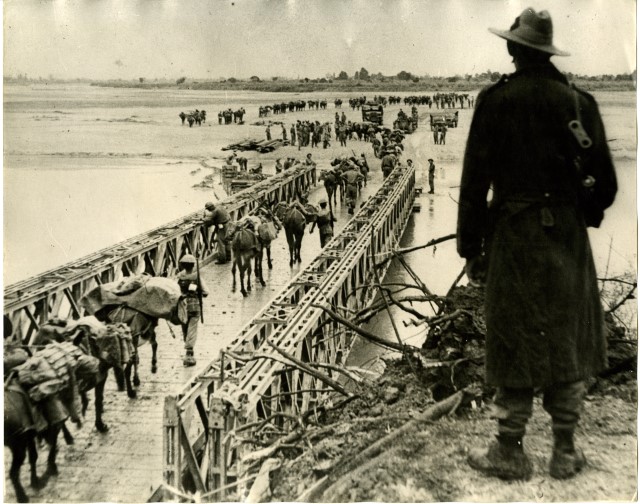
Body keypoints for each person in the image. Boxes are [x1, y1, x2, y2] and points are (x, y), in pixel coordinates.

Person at [457, 7, 617, 482]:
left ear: (512, 48)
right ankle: (564, 451)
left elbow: (473, 185)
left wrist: (472, 248)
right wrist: (582, 214)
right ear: (548, 52)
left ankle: (509, 449)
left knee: (513, 335)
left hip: (512, 235)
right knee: (567, 335)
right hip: (566, 236)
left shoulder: (495, 101)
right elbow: (606, 185)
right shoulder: (579, 104)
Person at [176, 254, 209, 367]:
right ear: (193, 265)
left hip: (182, 307)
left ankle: (188, 348)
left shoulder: (179, 278)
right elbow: (206, 292)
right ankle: (189, 351)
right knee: (192, 329)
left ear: (182, 265)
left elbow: (175, 292)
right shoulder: (197, 277)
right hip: (194, 306)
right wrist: (198, 292)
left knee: (185, 329)